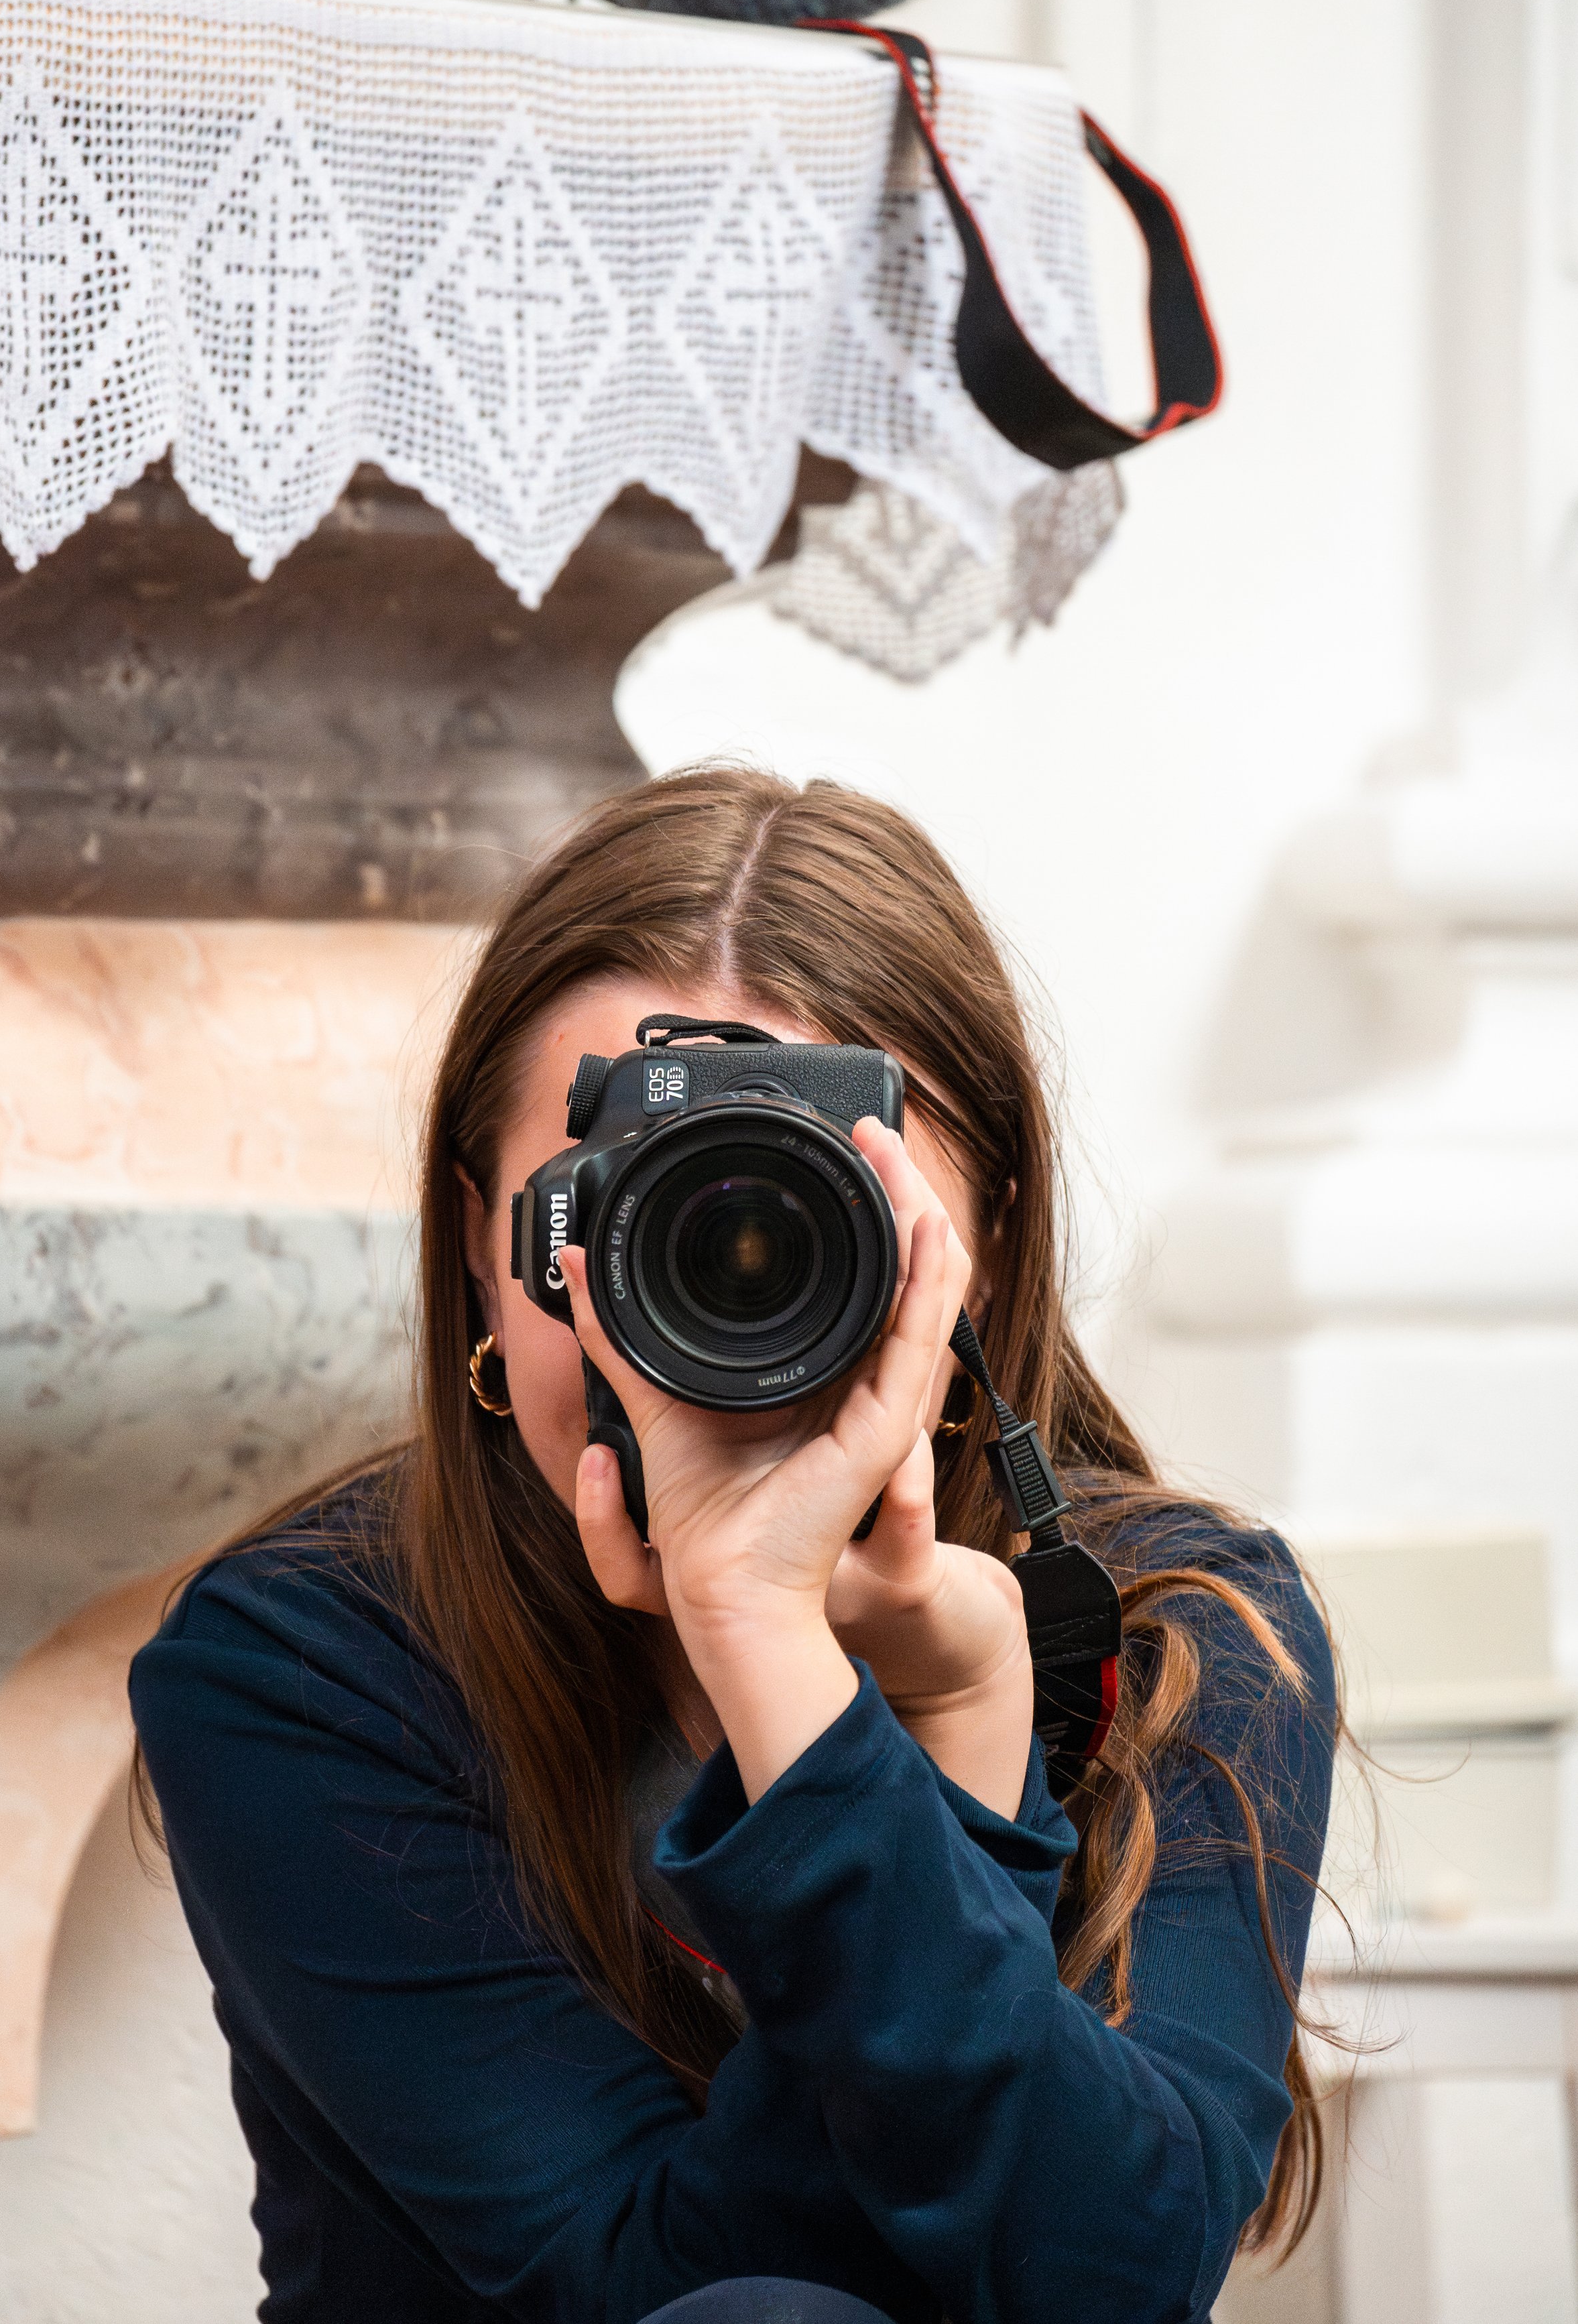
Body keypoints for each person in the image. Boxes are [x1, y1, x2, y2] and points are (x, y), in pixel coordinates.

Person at [131, 768, 1336, 2324]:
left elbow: (1109, 2280)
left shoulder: (1172, 1629)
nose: (720, 1298)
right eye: (616, 1208)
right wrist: (878, 1707)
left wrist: (910, 1687)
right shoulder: (301, 1664)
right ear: (486, 1250)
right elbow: (642, 2287)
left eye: (820, 1215)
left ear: (983, 1256)